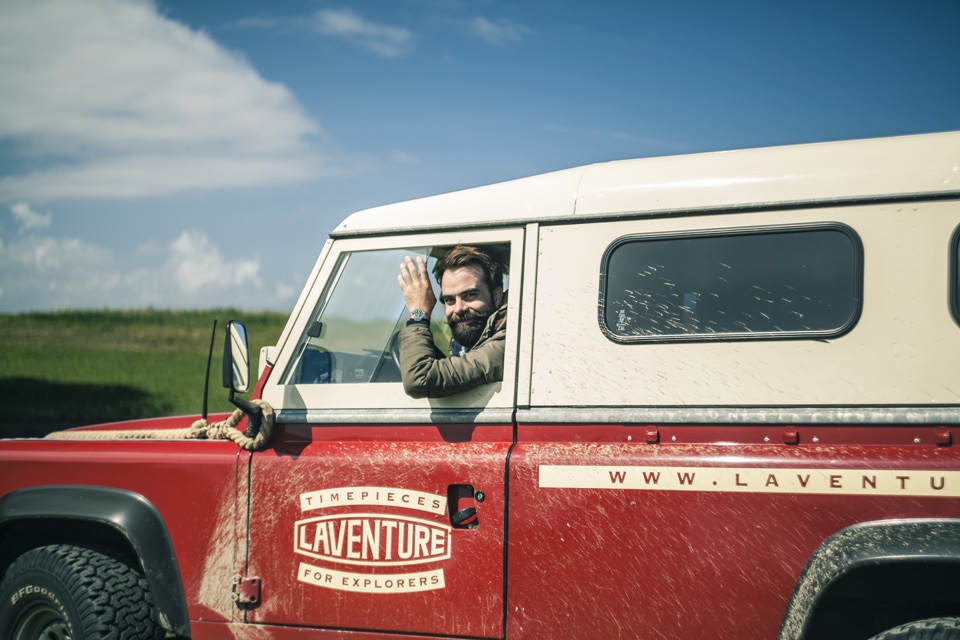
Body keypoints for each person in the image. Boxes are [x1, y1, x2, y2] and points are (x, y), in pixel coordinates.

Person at [396, 245, 507, 398]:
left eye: (470, 295)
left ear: (496, 296)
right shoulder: (467, 346)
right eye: (449, 300)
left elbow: (420, 379)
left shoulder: (508, 343)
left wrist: (419, 312)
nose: (459, 309)